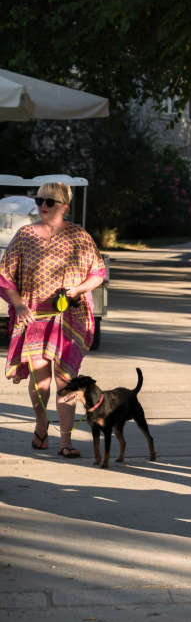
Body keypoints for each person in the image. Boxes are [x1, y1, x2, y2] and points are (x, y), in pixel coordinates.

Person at [0, 183, 106, 458]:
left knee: (65, 381)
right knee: (41, 382)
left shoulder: (79, 237)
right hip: (35, 318)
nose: (43, 206)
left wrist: (79, 289)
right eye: (40, 201)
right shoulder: (24, 236)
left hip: (70, 318)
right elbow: (6, 278)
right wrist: (19, 304)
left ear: (65, 207)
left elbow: (98, 272)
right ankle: (41, 423)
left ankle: (65, 441)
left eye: (50, 202)